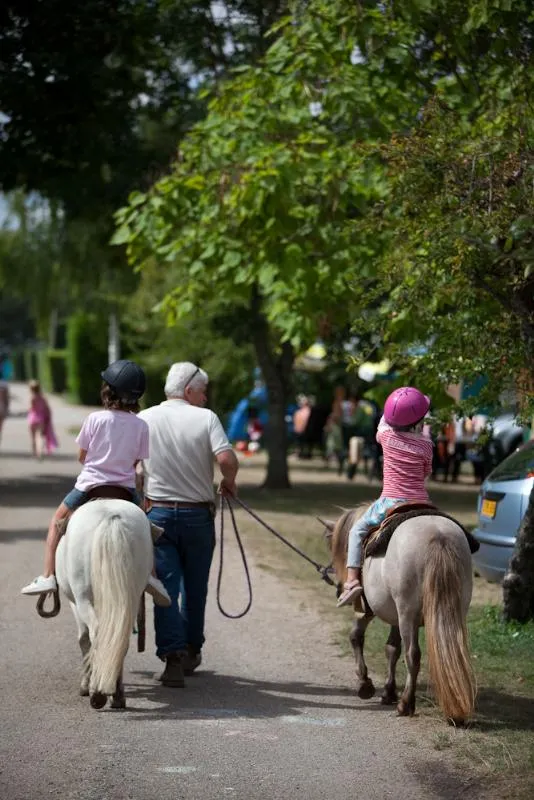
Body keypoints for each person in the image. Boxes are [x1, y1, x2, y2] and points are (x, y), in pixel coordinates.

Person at [20, 360, 170, 607]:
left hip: (89, 487)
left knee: (56, 524)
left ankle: (47, 576)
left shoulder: (95, 419)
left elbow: (82, 455)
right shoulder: (141, 425)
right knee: (146, 528)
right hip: (126, 490)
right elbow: (136, 462)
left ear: (107, 390)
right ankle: (152, 577)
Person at [137, 362, 239, 687]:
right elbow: (226, 459)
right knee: (195, 589)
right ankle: (192, 649)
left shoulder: (146, 418)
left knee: (164, 589)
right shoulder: (206, 418)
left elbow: (134, 468)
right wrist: (230, 481)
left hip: (159, 517)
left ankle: (172, 659)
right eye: (202, 391)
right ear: (188, 391)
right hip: (198, 517)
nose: (206, 397)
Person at [337, 386, 433, 607]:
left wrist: (393, 405)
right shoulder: (426, 445)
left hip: (391, 502)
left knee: (356, 531)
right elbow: (427, 472)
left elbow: (383, 422)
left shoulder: (386, 436)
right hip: (422, 502)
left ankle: (352, 581)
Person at [27, 380, 58, 459]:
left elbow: (30, 408)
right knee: (39, 436)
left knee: (33, 437)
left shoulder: (32, 398)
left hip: (32, 419)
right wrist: (48, 417)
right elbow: (47, 409)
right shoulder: (43, 398)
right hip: (41, 419)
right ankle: (40, 452)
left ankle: (34, 453)